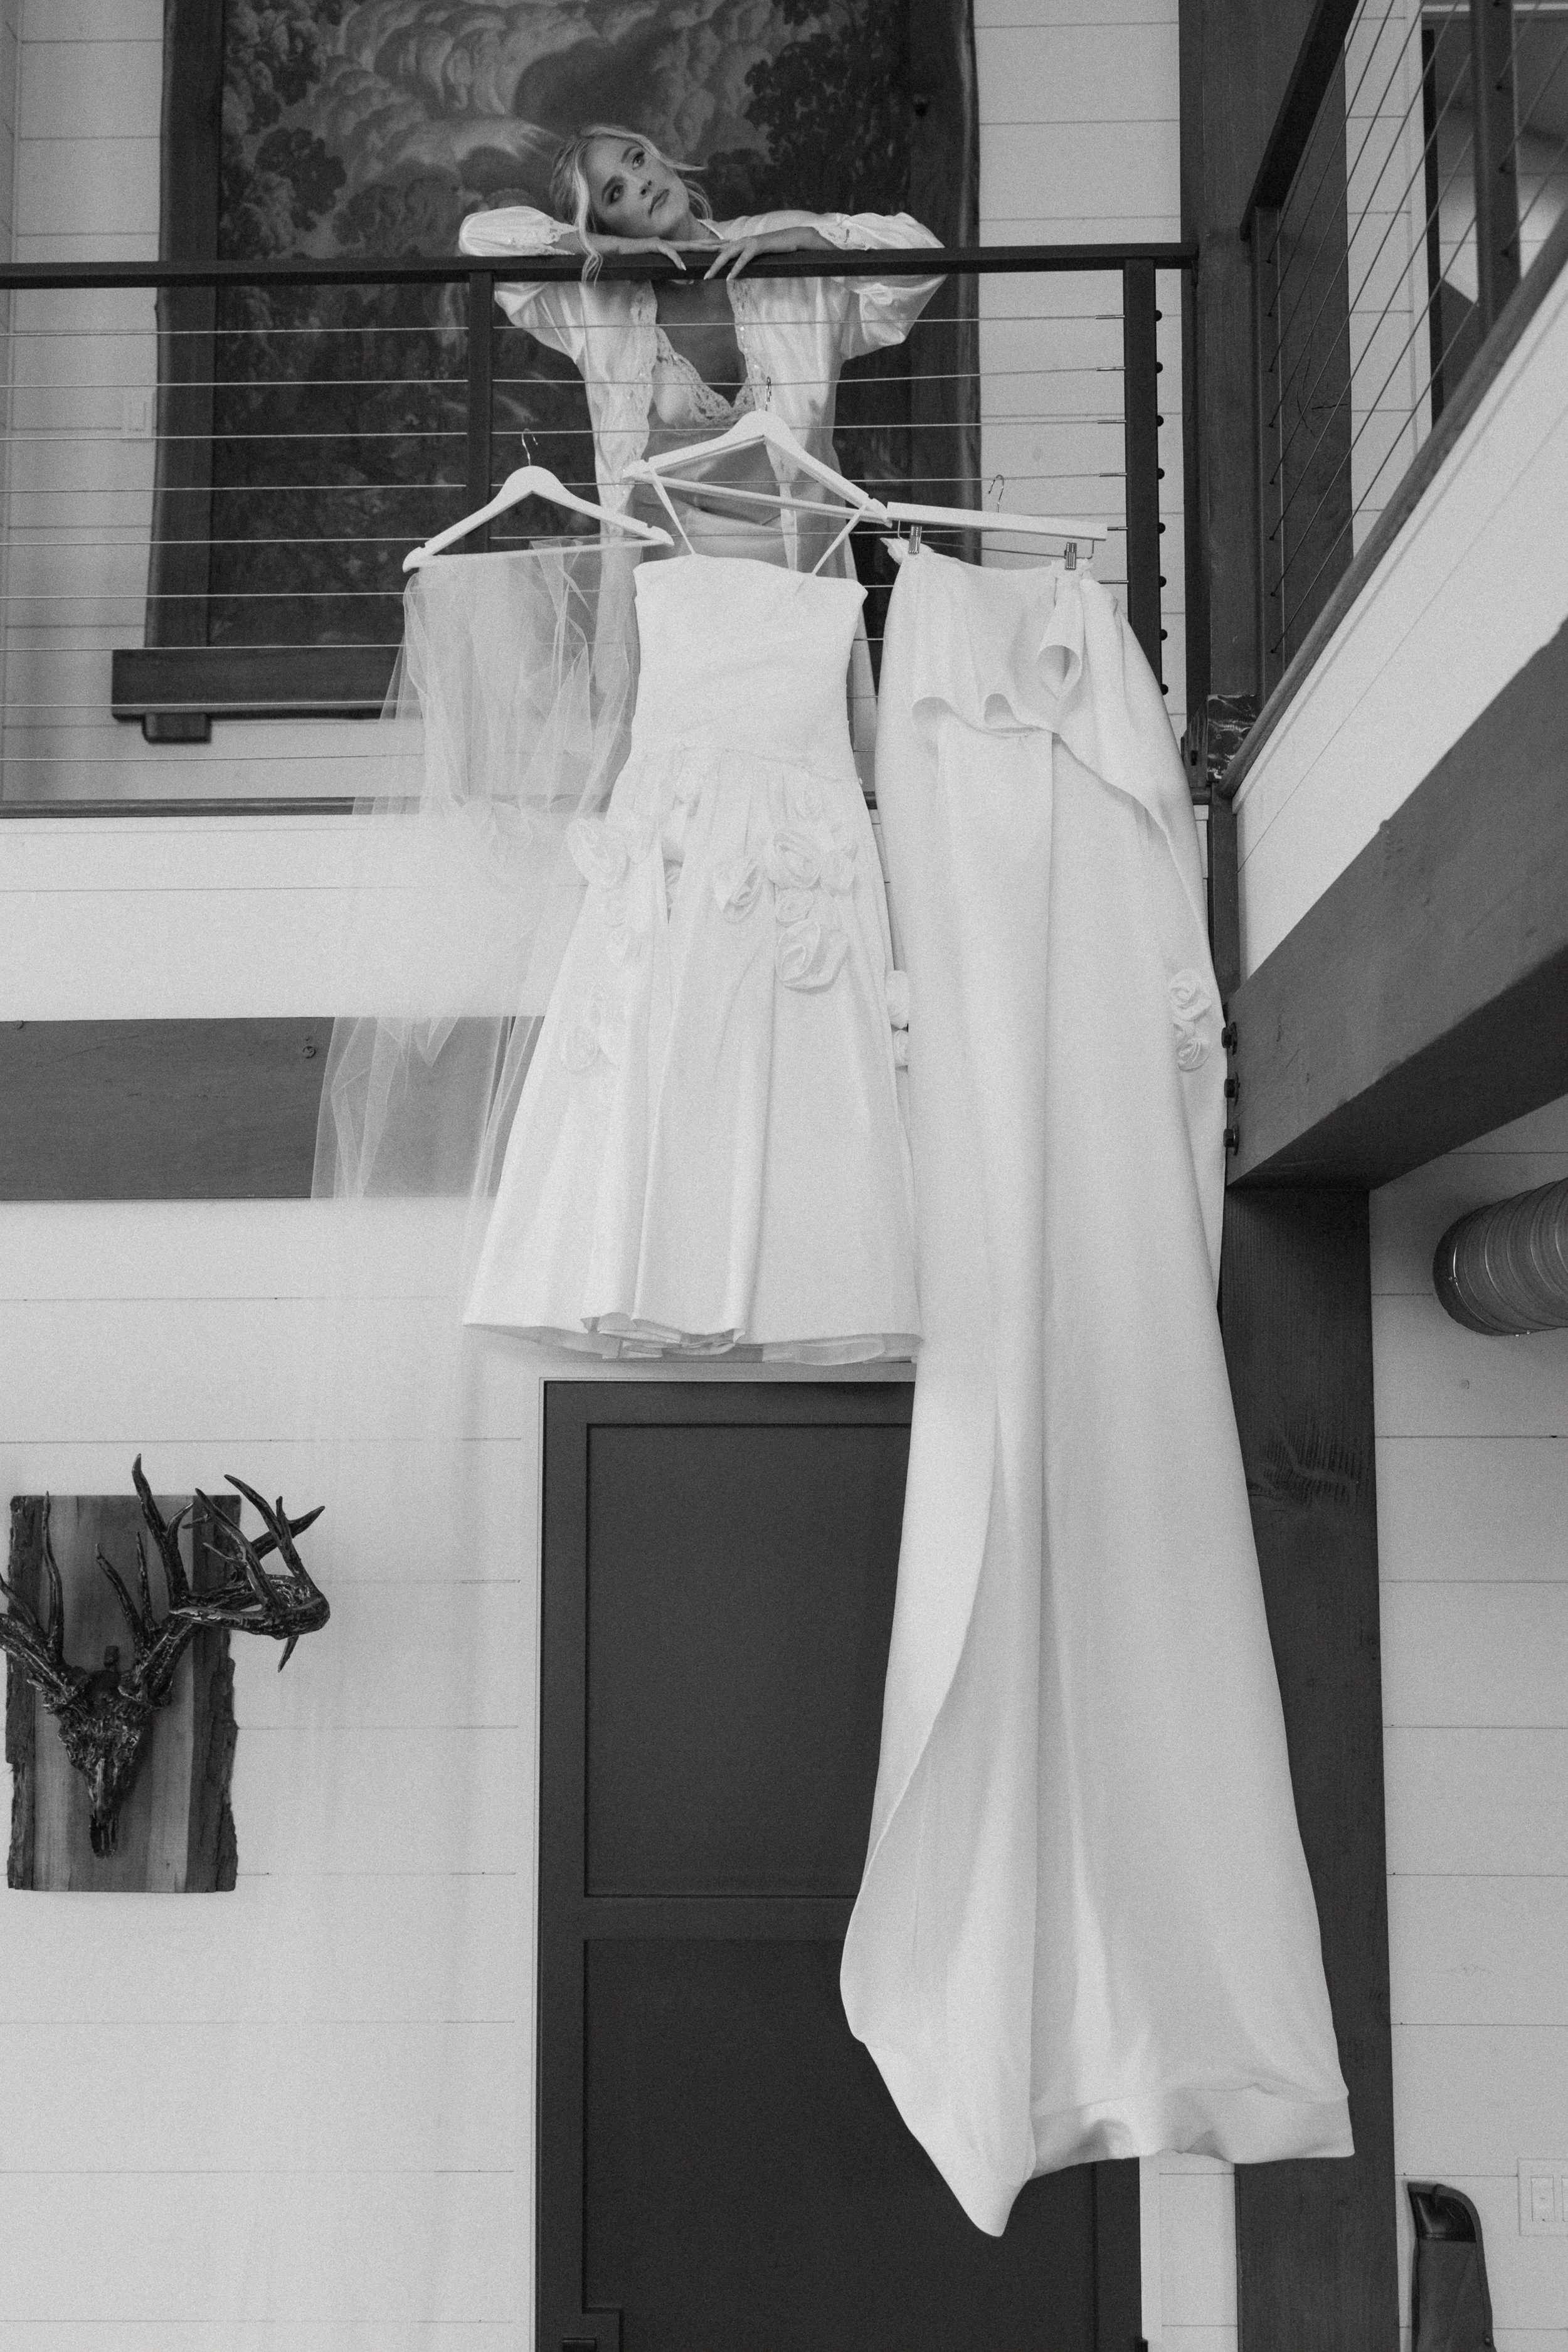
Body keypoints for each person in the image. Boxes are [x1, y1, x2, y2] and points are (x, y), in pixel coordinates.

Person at [458, 127, 944, 756]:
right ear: (606, 220)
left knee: (791, 756)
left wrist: (805, 239)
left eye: (639, 161)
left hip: (795, 567)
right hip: (674, 583)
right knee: (683, 763)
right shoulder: (595, 297)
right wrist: (602, 250)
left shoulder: (776, 247)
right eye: (616, 192)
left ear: (662, 157)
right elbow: (479, 238)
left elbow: (923, 252)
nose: (642, 183)